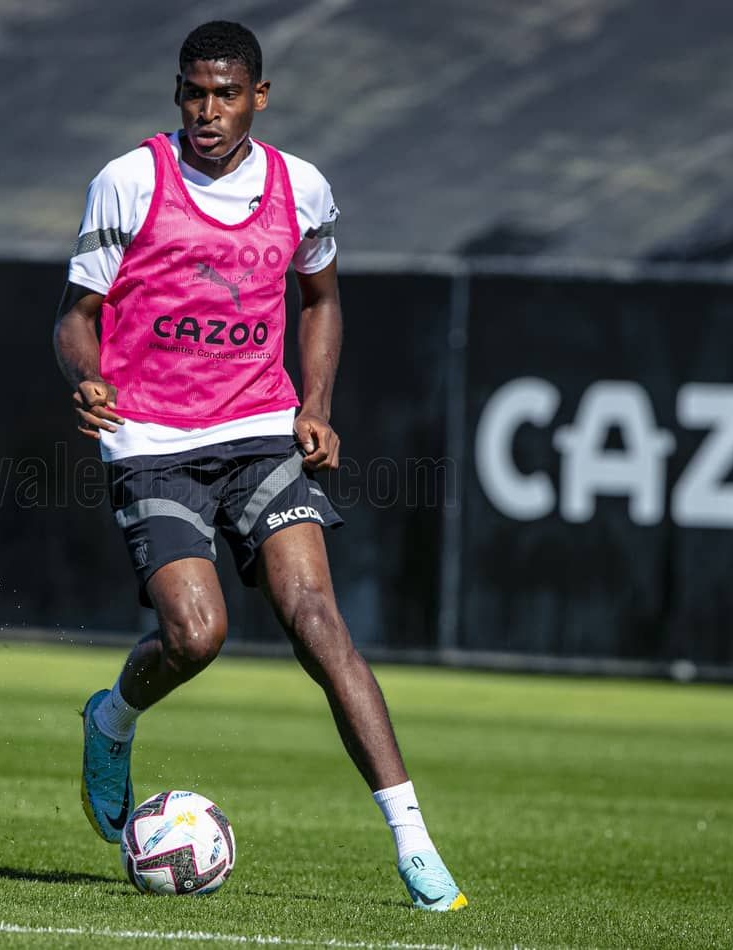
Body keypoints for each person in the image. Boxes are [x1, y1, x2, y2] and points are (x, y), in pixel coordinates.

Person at [51, 20, 467, 912]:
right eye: (194, 92)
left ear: (259, 97)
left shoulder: (301, 189)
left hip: (261, 432)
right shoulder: (129, 181)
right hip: (154, 441)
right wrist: (87, 377)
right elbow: (76, 315)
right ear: (177, 93)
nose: (208, 110)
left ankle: (415, 844)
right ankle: (112, 717)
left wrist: (315, 406)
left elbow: (320, 299)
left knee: (318, 621)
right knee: (197, 636)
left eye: (226, 93)